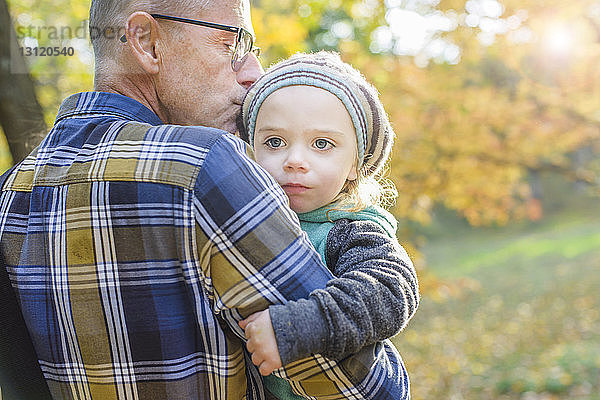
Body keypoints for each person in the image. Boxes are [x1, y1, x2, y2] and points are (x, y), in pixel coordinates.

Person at [0, 1, 412, 399]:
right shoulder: (206, 164)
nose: (253, 71)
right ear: (146, 42)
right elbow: (364, 388)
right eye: (232, 43)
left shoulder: (10, 191)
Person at [238, 51, 419, 399]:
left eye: (322, 144)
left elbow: (391, 290)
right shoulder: (243, 219)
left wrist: (299, 327)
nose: (294, 161)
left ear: (356, 163)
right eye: (274, 142)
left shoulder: (350, 229)